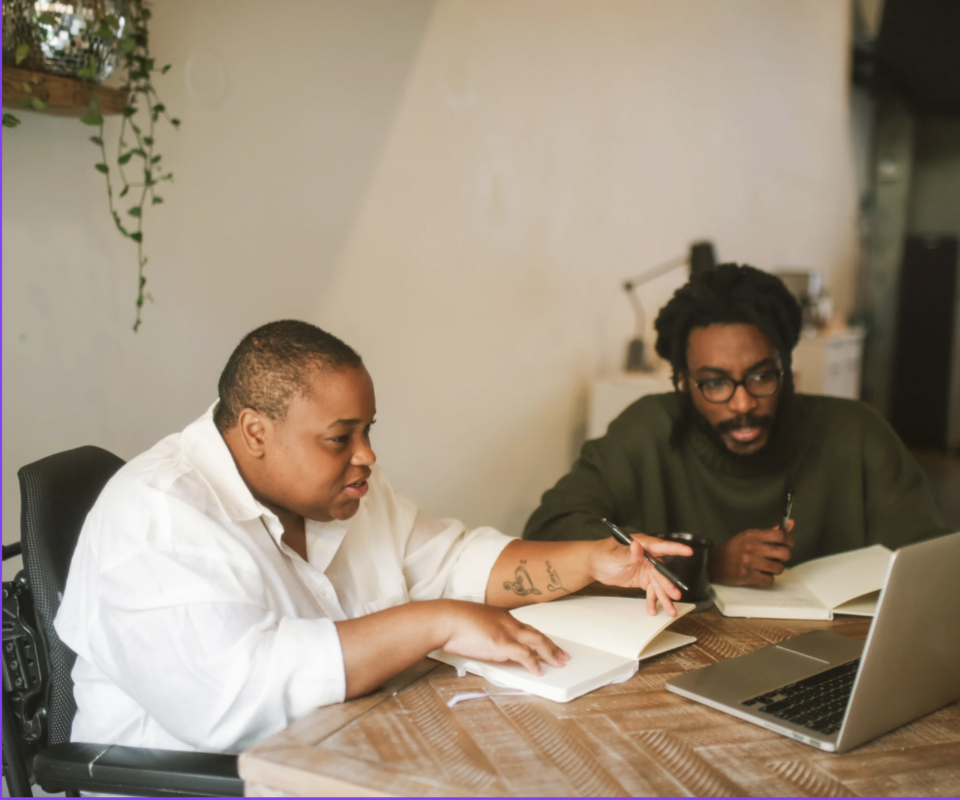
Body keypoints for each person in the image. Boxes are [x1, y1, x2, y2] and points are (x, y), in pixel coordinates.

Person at [54, 320, 691, 755]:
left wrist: (590, 560)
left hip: (353, 752)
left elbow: (453, 562)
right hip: (217, 783)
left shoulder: (342, 488)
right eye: (341, 437)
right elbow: (235, 699)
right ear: (254, 432)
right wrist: (434, 622)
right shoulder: (159, 514)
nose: (367, 456)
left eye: (368, 431)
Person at [523, 264, 948, 587]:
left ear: (788, 369)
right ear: (683, 384)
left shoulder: (858, 435)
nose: (742, 403)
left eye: (762, 376)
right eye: (714, 383)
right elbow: (549, 532)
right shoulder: (646, 430)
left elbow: (929, 569)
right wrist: (708, 564)